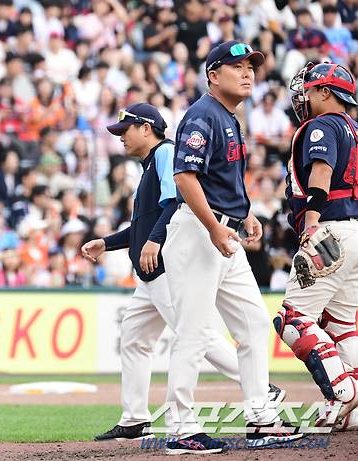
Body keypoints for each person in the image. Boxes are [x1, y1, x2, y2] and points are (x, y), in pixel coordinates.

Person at [81, 103, 284, 442]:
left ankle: (262, 387)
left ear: (147, 128)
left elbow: (177, 201)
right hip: (148, 276)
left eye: (125, 130)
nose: (121, 139)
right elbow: (143, 224)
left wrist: (155, 240)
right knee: (134, 339)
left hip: (164, 268)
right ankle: (134, 416)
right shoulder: (150, 163)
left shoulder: (165, 152)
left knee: (194, 334)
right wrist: (107, 242)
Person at [161, 41, 303, 453]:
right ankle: (181, 429)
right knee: (193, 332)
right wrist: (214, 227)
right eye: (235, 66)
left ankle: (260, 417)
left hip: (224, 232)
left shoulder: (228, 117)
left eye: (250, 66)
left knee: (255, 323)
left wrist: (245, 214)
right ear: (212, 75)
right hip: (199, 233)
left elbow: (221, 182)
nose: (247, 73)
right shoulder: (203, 114)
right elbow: (185, 179)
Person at [276, 62, 358, 429]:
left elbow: (321, 172)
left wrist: (311, 223)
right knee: (343, 325)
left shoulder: (322, 125)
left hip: (330, 232)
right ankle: (353, 412)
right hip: (354, 232)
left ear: (326, 93)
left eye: (309, 90)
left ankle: (342, 391)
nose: (304, 97)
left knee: (292, 319)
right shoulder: (354, 129)